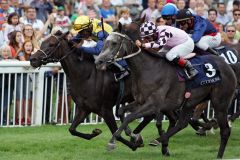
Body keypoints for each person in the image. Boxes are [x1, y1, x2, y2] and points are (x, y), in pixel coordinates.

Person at [72, 15, 129, 81]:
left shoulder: (100, 32)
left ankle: (125, 69)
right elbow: (74, 41)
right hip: (107, 42)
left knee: (104, 57)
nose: (80, 34)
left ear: (88, 28)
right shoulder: (87, 28)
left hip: (115, 43)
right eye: (79, 32)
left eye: (81, 32)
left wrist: (81, 48)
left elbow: (99, 51)